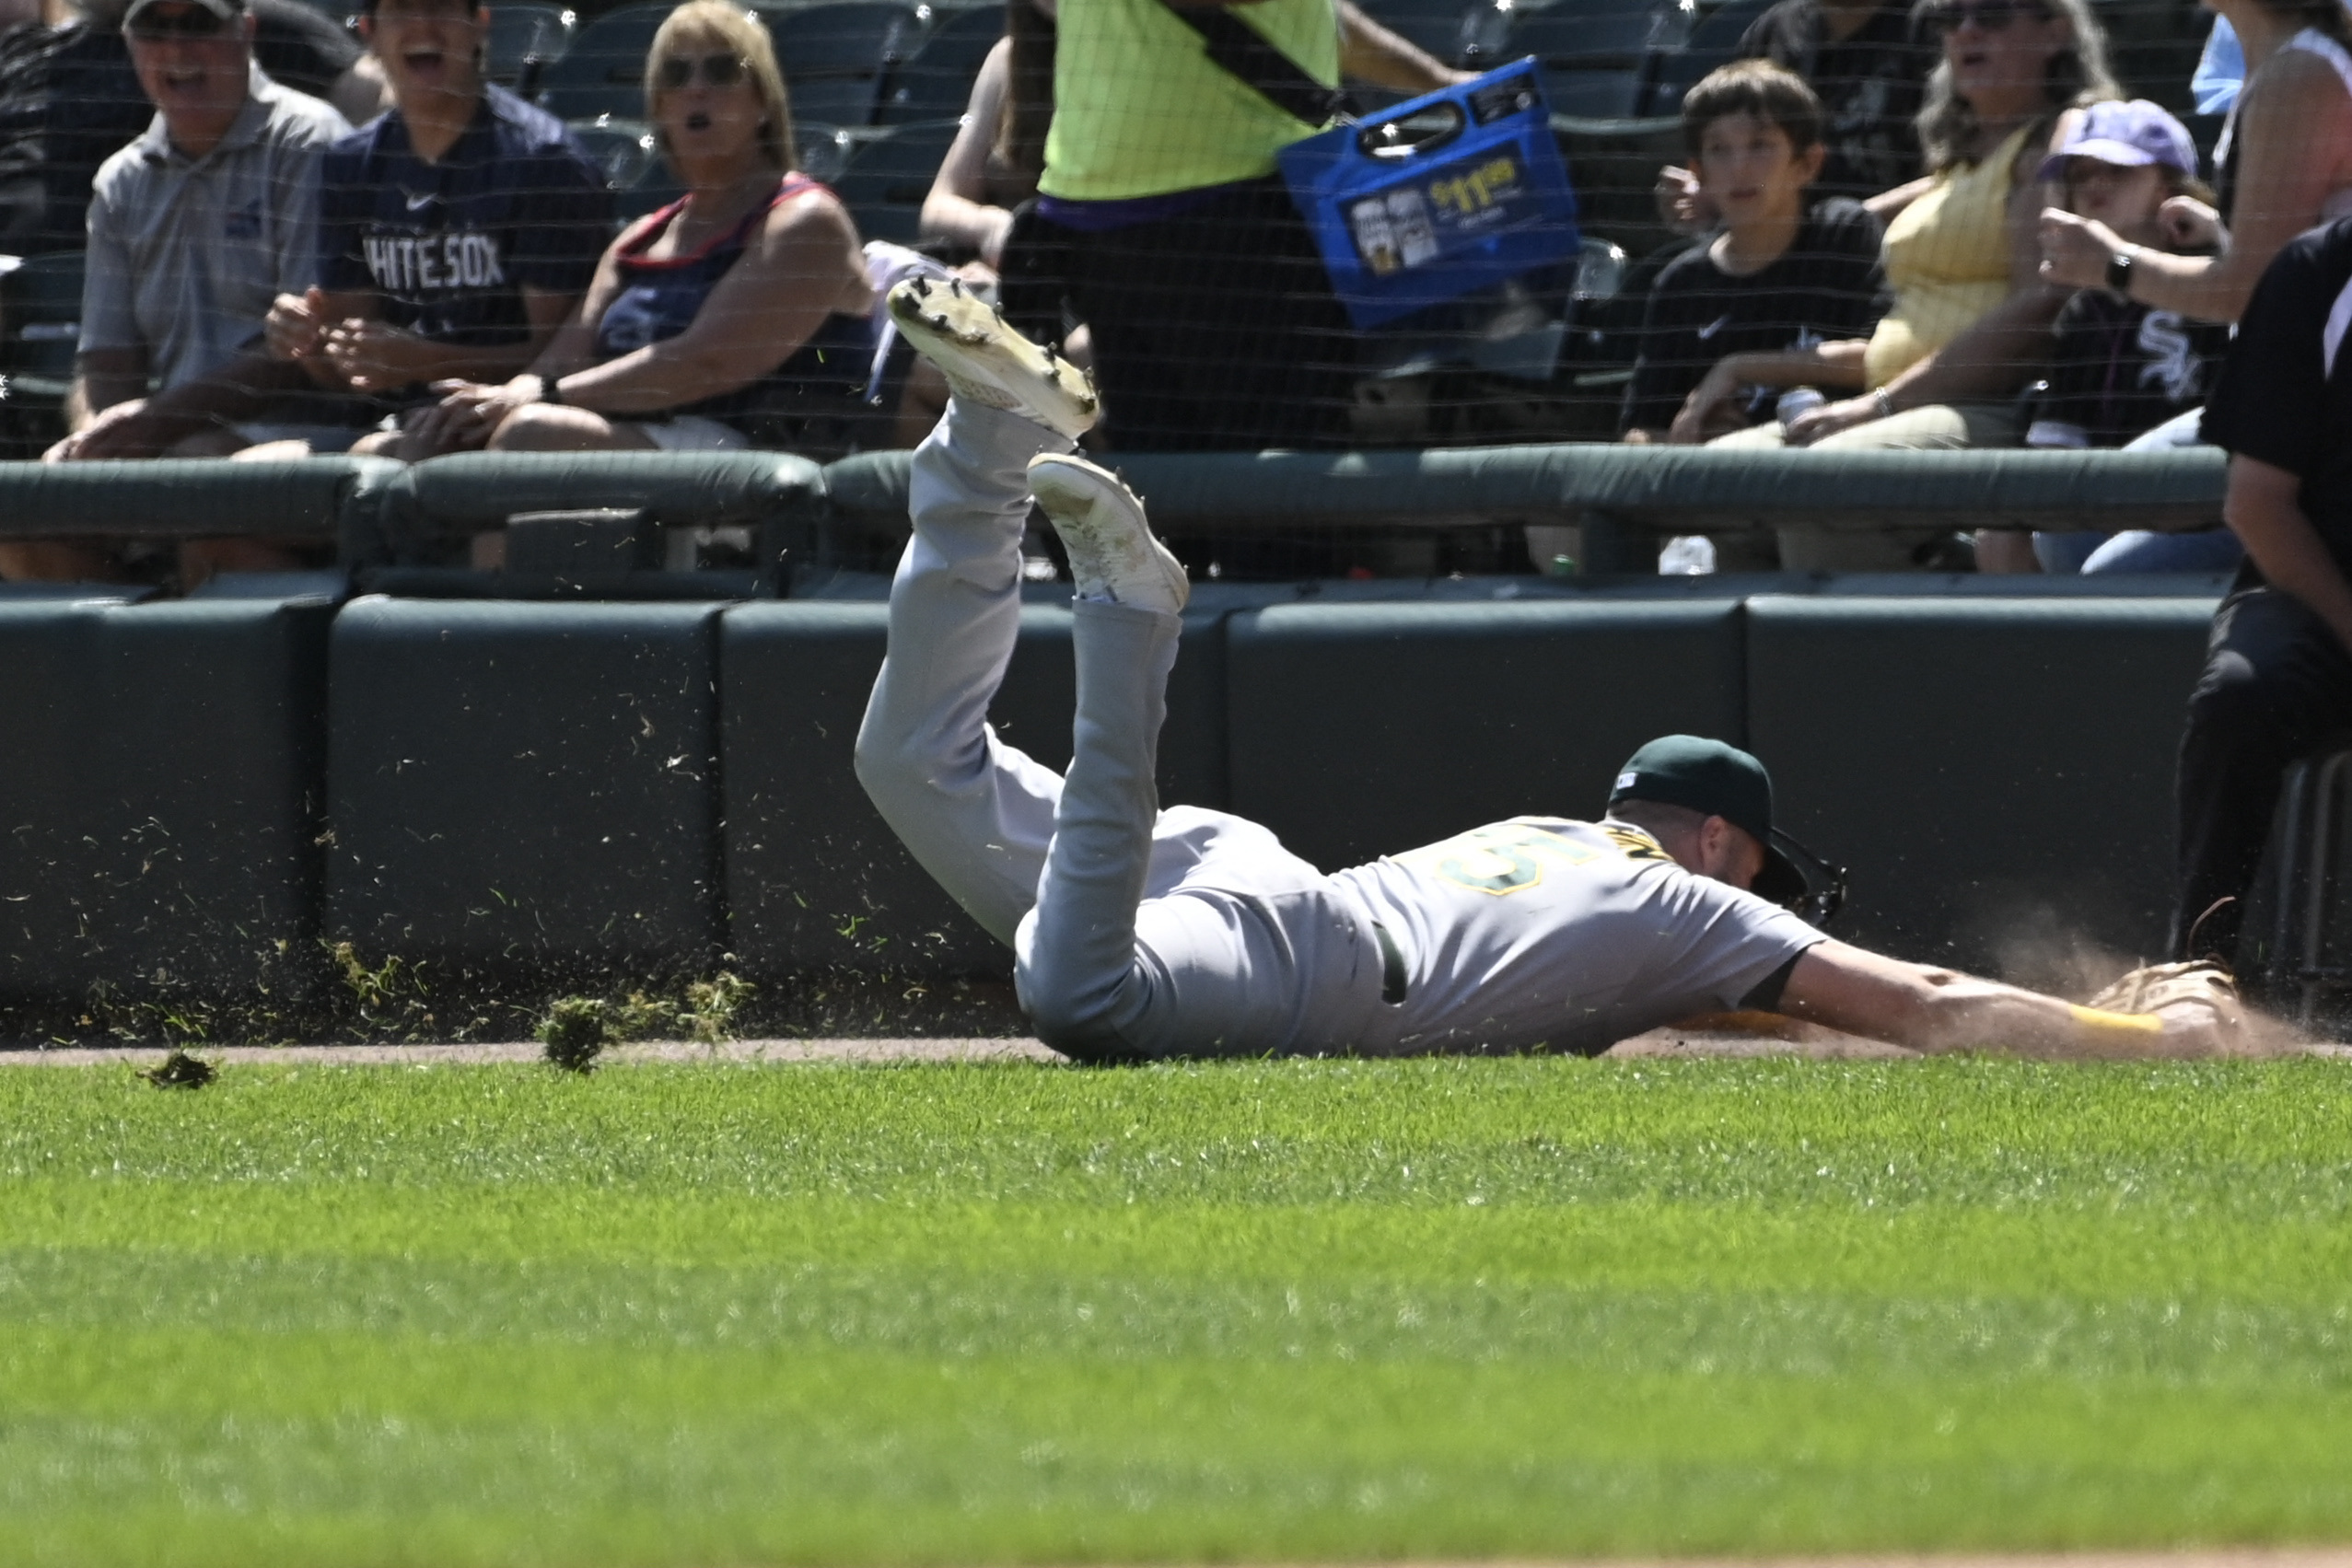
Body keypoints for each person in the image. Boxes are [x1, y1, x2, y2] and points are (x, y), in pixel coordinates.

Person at [855, 274, 2242, 1061]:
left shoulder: (1553, 839)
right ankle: (1129, 616)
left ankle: (979, 448)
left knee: (908, 761)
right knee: (1083, 1001)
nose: (1767, 909)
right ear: (1715, 837)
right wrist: (2130, 1037)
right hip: (1299, 965)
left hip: (1260, 895)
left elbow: (1687, 1005)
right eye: (1764, 869)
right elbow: (1913, 1002)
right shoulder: (1694, 908)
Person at [1700, 0, 2118, 571]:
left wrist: (1878, 406)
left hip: (1994, 409)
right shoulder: (1959, 164)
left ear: (2055, 32)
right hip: (1893, 401)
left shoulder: (2057, 144)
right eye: (1951, 18)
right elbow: (1821, 224)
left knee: (1826, 490)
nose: (1966, 31)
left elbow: (2040, 314)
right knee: (1713, 480)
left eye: (1990, 17)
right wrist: (1724, 196)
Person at [405, 1, 884, 468]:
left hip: (756, 461)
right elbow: (562, 358)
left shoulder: (805, 219)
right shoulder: (640, 238)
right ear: (660, 109)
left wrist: (543, 397)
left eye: (720, 71)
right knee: (415, 446)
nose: (696, 89)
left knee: (529, 436)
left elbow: (703, 364)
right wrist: (493, 401)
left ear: (762, 101)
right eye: (676, 76)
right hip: (640, 439)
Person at [1019, 0, 1467, 454]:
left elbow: (1320, 18)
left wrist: (1441, 82)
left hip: (1135, 213)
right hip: (1225, 216)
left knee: (1180, 469)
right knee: (1267, 463)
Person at [6, 0, 346, 583]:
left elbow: (299, 358)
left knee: (199, 484)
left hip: (306, 438)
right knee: (25, 515)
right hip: (176, 441)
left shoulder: (309, 140)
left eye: (197, 24)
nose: (176, 48)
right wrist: (98, 435)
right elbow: (106, 360)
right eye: (154, 28)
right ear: (132, 45)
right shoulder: (122, 180)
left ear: (246, 30)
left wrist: (153, 425)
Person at [258, 0, 613, 456]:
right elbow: (351, 371)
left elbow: (556, 363)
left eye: (442, 7)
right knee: (235, 470)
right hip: (388, 424)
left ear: (479, 26)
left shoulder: (543, 163)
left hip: (500, 428)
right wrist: (306, 343)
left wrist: (424, 362)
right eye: (402, 10)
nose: (424, 24)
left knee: (364, 462)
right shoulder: (350, 165)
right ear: (370, 34)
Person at [2170, 219, 2352, 972]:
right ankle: (2199, 970)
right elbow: (2258, 504)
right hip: (2321, 594)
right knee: (2241, 695)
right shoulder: (2317, 272)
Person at [2037, 0, 2352, 425]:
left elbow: (2253, 293)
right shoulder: (2282, 65)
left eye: (2117, 170)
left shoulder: (2298, 74)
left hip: (2327, 411)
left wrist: (2113, 264)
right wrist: (2224, 237)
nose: (2096, 183)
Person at [2004, 101, 2237, 574]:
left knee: (2104, 571)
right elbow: (2058, 445)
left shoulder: (2216, 280)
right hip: (2110, 502)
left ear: (2170, 187)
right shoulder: (2083, 309)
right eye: (2080, 173)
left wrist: (2218, 232)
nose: (2093, 184)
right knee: (2017, 534)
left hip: (2211, 499)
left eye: (2116, 169)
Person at [1621, 62, 1884, 447]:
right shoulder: (1682, 285)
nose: (1739, 168)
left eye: (1760, 145)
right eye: (1719, 150)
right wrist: (1693, 435)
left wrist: (1737, 369)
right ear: (1699, 173)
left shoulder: (1844, 235)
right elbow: (1637, 432)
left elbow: (1881, 357)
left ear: (1807, 164)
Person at [0, 0, 380, 256]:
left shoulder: (236, 24)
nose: (174, 44)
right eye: (151, 32)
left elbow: (387, 105)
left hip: (141, 303)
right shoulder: (25, 50)